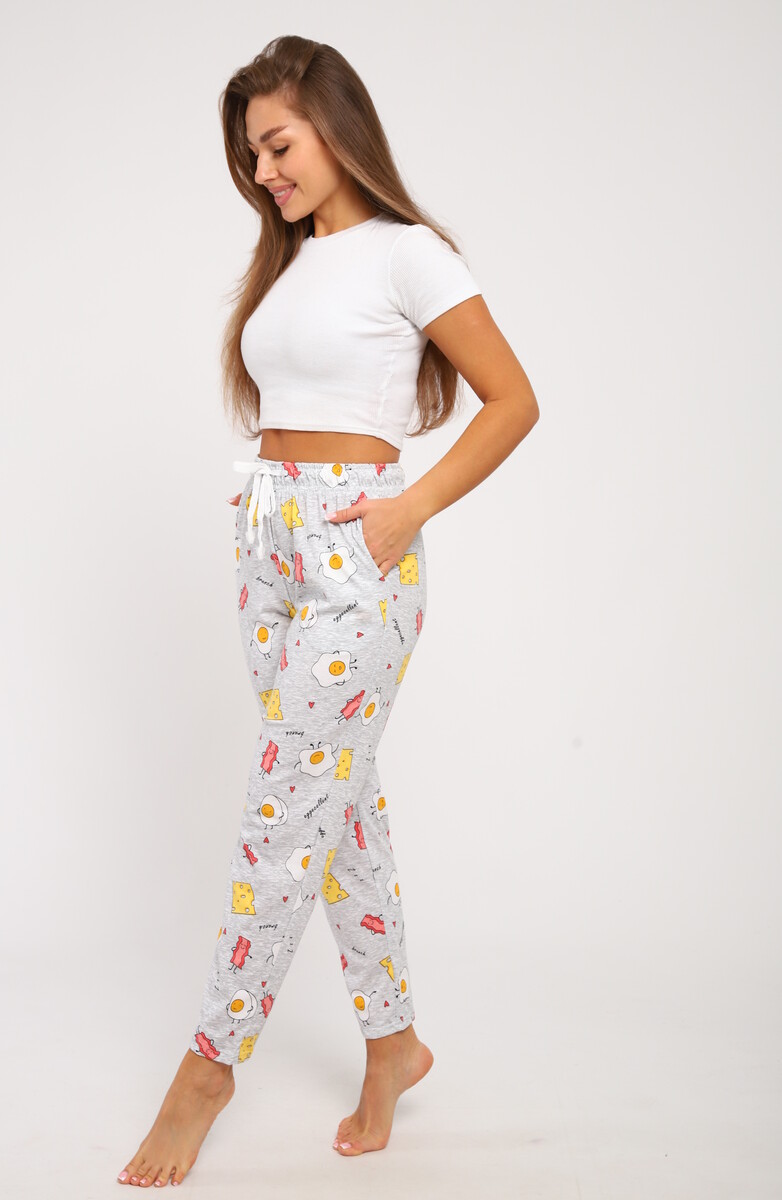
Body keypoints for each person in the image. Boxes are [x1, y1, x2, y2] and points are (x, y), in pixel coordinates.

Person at [117, 34, 539, 1189]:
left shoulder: (408, 254)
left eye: (277, 145)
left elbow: (511, 400)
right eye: (251, 156)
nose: (263, 172)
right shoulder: (292, 261)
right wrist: (274, 504)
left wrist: (406, 510)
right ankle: (393, 1043)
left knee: (282, 820)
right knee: (335, 811)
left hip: (359, 553)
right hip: (268, 546)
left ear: (335, 126)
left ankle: (207, 1069)